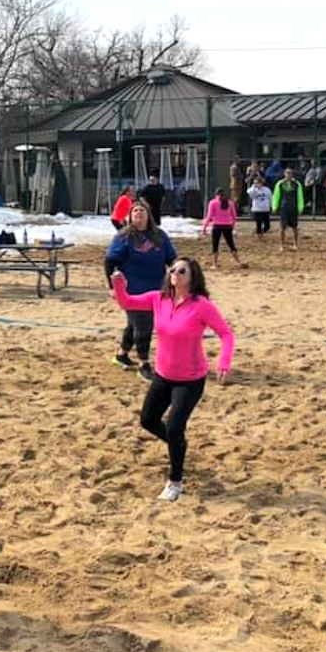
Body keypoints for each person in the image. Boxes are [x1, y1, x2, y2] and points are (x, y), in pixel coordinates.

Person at [109, 257, 235, 502]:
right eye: (173, 269)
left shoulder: (202, 305)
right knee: (148, 420)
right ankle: (178, 444)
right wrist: (119, 284)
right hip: (163, 375)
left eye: (182, 270)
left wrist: (224, 362)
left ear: (192, 277)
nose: (175, 273)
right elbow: (126, 302)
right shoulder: (159, 298)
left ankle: (175, 481)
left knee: (176, 426)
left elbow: (226, 334)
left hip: (190, 379)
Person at [104, 201, 176, 380]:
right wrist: (112, 287)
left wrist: (178, 279)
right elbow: (109, 261)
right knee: (143, 325)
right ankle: (144, 364)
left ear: (148, 214)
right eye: (134, 210)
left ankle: (121, 355)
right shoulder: (124, 236)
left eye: (141, 210)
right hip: (132, 291)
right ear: (130, 216)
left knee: (135, 324)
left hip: (157, 289)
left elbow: (172, 260)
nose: (138, 213)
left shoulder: (159, 235)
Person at [202, 188, 245, 269]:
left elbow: (209, 216)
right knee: (231, 244)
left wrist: (204, 227)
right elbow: (234, 216)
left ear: (216, 194)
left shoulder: (213, 202)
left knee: (215, 245)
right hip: (227, 225)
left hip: (217, 225)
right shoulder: (230, 203)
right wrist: (232, 225)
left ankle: (215, 263)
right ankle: (238, 261)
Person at [272, 167, 305, 252]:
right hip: (284, 207)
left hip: (293, 207)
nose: (289, 175)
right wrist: (274, 206)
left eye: (290, 173)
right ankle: (281, 245)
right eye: (287, 173)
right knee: (282, 227)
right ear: (284, 174)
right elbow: (276, 195)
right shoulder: (280, 183)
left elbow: (300, 196)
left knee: (295, 227)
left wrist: (300, 207)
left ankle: (295, 244)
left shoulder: (296, 184)